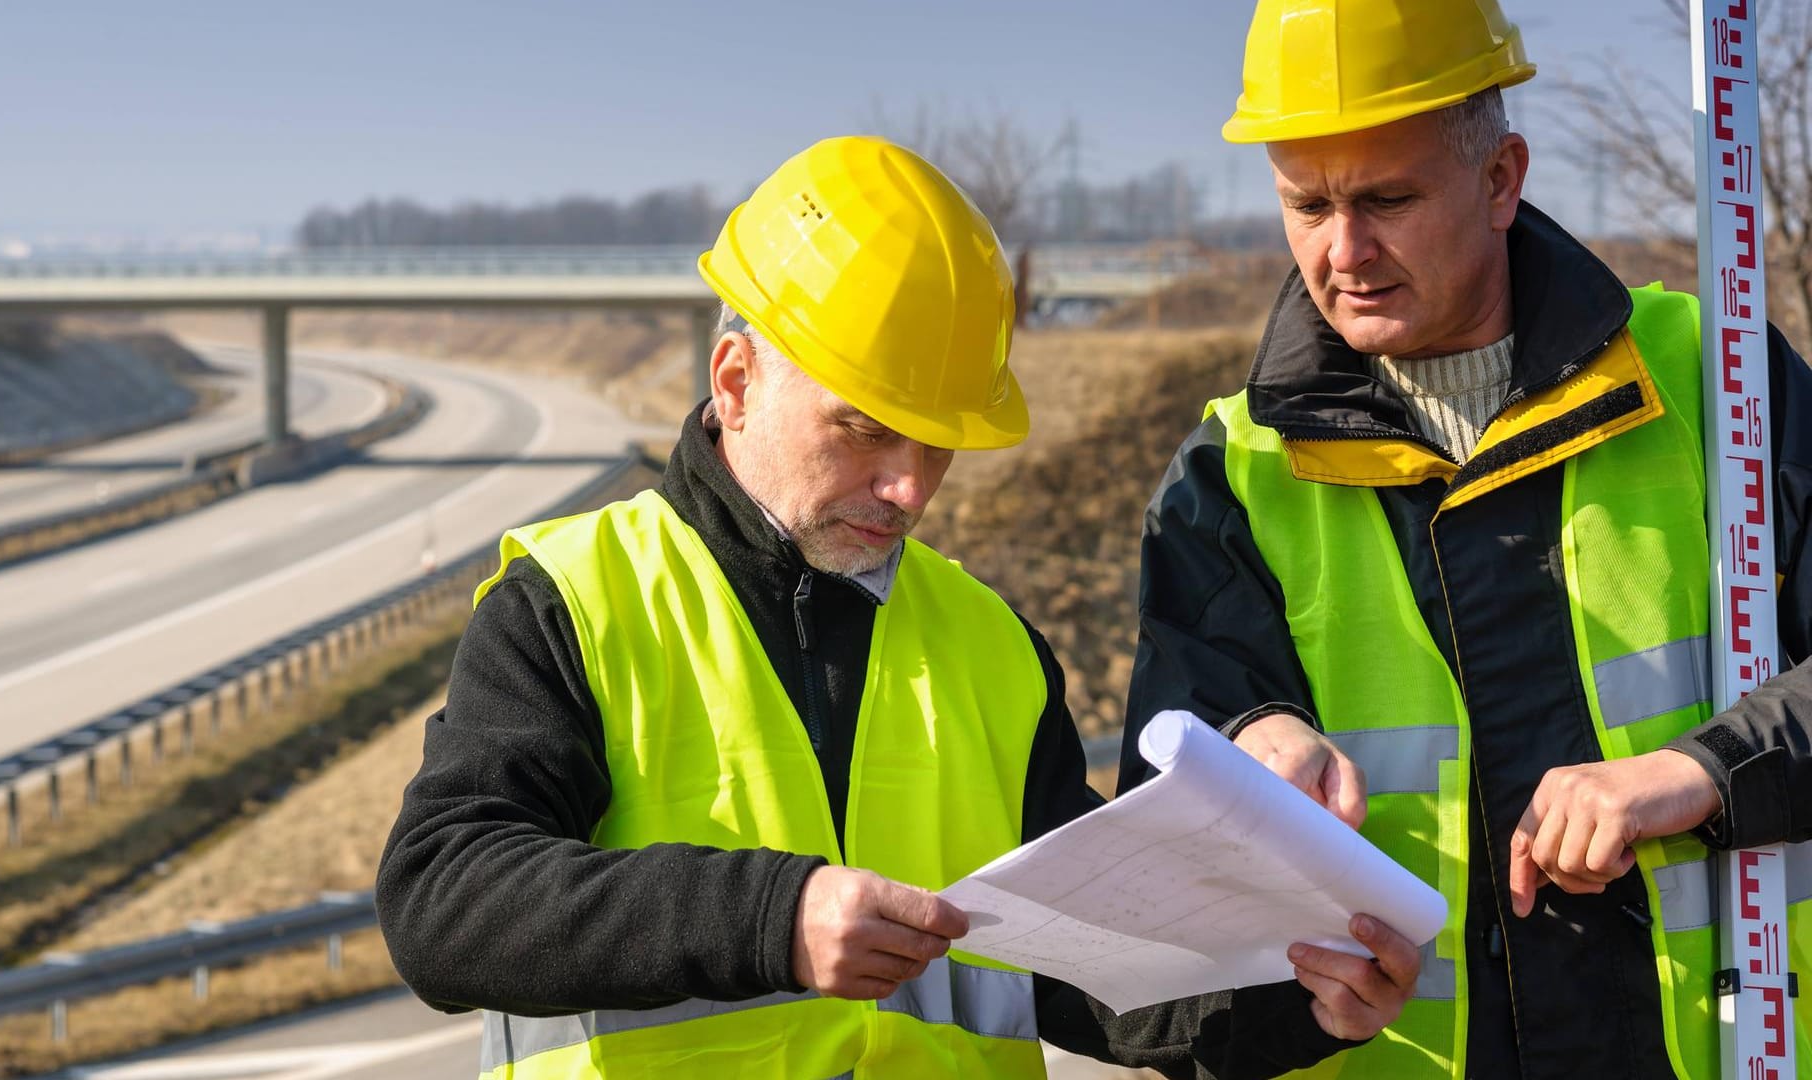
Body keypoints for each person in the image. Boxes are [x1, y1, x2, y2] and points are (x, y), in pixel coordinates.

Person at [376, 135, 1419, 1079]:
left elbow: (1092, 974)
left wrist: (1304, 1002)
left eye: (939, 443)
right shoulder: (575, 602)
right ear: (734, 381)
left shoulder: (991, 646)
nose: (912, 489)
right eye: (868, 431)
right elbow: (443, 902)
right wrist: (771, 917)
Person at [1119, 2, 1812, 1076]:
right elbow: (1168, 942)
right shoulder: (1234, 475)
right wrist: (1251, 744)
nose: (1342, 251)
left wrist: (1707, 770)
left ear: (1501, 180)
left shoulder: (1712, 381)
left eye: (1387, 199)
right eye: (1306, 205)